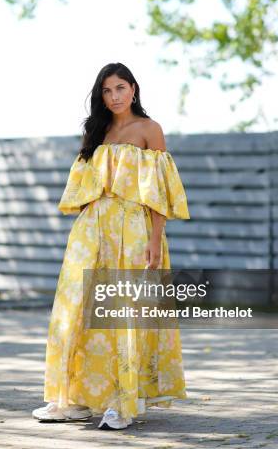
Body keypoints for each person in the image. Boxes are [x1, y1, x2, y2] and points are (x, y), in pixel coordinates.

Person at [32, 62, 190, 430]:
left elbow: (160, 193)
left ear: (133, 89)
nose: (114, 96)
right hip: (92, 227)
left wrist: (154, 240)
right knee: (75, 306)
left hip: (134, 227)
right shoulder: (98, 131)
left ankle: (125, 401)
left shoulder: (150, 130)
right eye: (107, 90)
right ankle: (70, 399)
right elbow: (83, 187)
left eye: (120, 88)